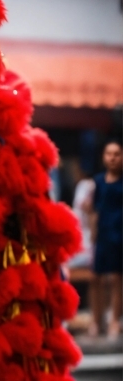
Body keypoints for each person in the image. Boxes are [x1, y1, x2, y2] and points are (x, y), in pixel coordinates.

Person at [87, 140, 123, 338]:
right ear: (103, 156)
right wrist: (92, 233)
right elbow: (94, 210)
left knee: (117, 279)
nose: (112, 157)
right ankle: (96, 319)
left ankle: (115, 321)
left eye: (117, 154)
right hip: (102, 235)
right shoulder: (99, 181)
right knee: (95, 278)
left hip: (119, 235)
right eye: (109, 154)